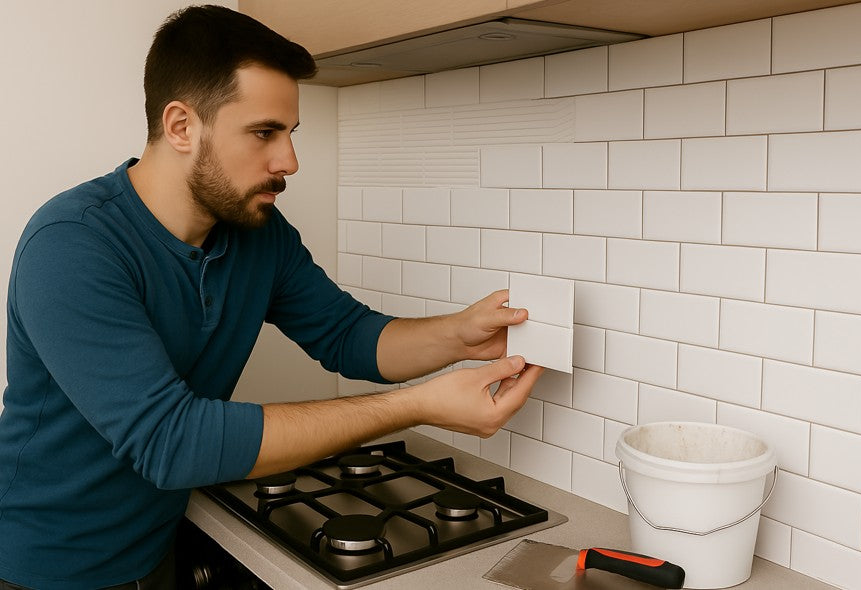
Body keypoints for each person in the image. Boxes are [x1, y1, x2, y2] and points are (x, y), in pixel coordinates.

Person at [0, 5, 543, 589]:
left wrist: (460, 334)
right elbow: (170, 443)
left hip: (156, 552)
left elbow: (348, 336)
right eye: (264, 133)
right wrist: (416, 405)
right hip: (42, 569)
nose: (288, 162)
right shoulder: (74, 245)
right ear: (182, 126)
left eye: (290, 134)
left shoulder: (258, 234)